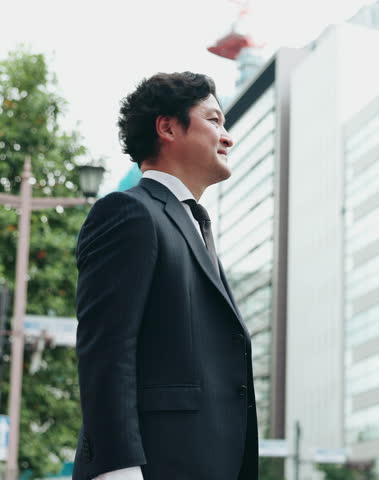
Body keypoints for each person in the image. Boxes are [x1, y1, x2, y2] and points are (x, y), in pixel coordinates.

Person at [73, 72, 258, 480]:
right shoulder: (128, 212)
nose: (227, 138)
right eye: (214, 120)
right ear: (168, 127)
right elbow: (107, 350)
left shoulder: (195, 226)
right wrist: (118, 469)